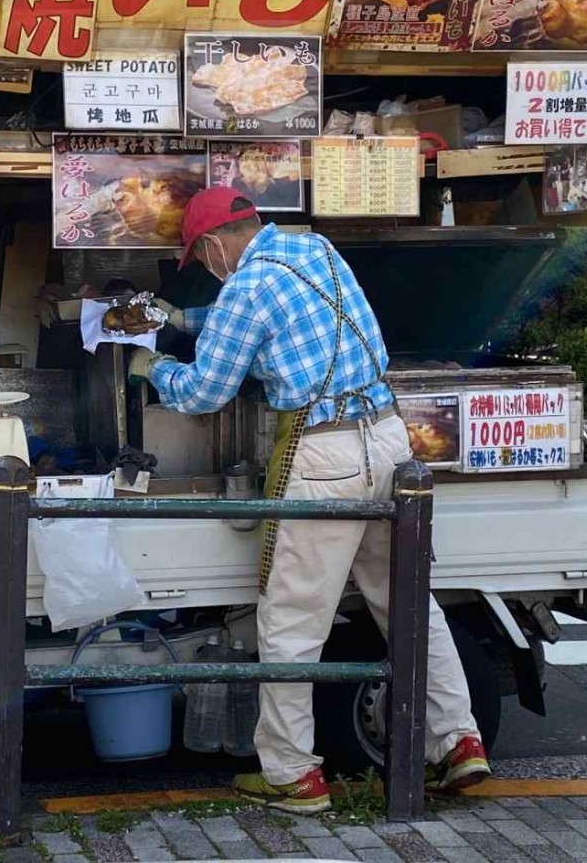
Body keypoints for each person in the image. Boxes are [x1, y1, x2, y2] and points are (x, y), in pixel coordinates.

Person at [128, 186, 490, 815]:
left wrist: (152, 366)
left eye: (202, 258)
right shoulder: (313, 248)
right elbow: (268, 320)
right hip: (389, 442)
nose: (209, 269)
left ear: (214, 246)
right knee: (405, 601)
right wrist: (178, 319)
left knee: (291, 618)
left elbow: (206, 392)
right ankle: (457, 740)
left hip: (324, 457)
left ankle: (292, 773)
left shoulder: (242, 289)